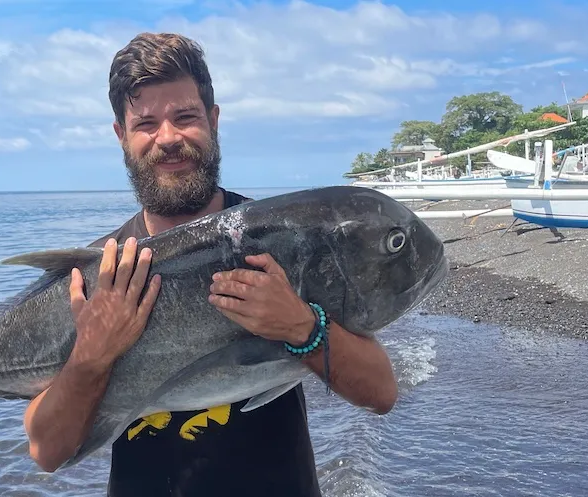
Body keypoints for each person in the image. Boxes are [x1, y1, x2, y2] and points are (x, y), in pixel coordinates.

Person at [23, 32, 398, 497]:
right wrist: (90, 356)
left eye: (185, 117)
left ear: (213, 121)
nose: (168, 138)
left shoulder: (281, 242)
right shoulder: (103, 270)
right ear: (121, 135)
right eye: (146, 124)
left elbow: (380, 393)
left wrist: (302, 326)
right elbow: (48, 451)